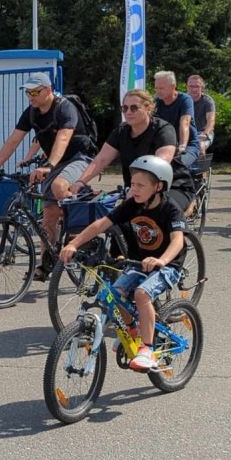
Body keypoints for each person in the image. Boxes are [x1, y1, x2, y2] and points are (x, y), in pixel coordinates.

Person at [59, 155, 185, 373]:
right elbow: (100, 224)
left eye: (140, 185)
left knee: (141, 294)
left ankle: (146, 348)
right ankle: (134, 332)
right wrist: (75, 244)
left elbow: (178, 240)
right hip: (137, 263)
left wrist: (161, 260)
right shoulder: (131, 205)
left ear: (159, 186)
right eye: (132, 184)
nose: (133, 189)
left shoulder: (170, 209)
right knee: (114, 295)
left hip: (167, 266)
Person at [0, 72, 95, 265]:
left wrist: (48, 166)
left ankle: (79, 233)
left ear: (48, 90)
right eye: (28, 92)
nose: (31, 96)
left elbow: (63, 138)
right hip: (57, 161)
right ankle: (46, 264)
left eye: (35, 92)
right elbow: (13, 140)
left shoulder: (64, 108)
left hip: (80, 157)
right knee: (48, 216)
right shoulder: (31, 112)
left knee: (59, 186)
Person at [71, 89, 195, 215]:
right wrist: (81, 182)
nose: (128, 112)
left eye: (134, 108)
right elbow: (101, 160)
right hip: (137, 189)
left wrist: (139, 188)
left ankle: (183, 221)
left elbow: (160, 164)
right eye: (124, 108)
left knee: (158, 214)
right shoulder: (121, 132)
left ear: (149, 108)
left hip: (172, 186)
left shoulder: (163, 130)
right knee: (117, 221)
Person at [153, 71, 201, 167]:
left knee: (178, 165)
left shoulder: (185, 99)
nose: (158, 91)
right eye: (156, 88)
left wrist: (182, 146)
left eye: (161, 88)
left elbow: (185, 123)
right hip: (166, 145)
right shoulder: (156, 102)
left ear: (172, 87)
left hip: (188, 145)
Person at [187, 74, 217, 155]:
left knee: (200, 146)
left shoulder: (207, 101)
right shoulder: (182, 100)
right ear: (187, 87)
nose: (194, 89)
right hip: (186, 132)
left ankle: (201, 166)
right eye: (191, 86)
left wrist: (205, 133)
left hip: (202, 132)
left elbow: (211, 120)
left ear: (202, 88)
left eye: (197, 86)